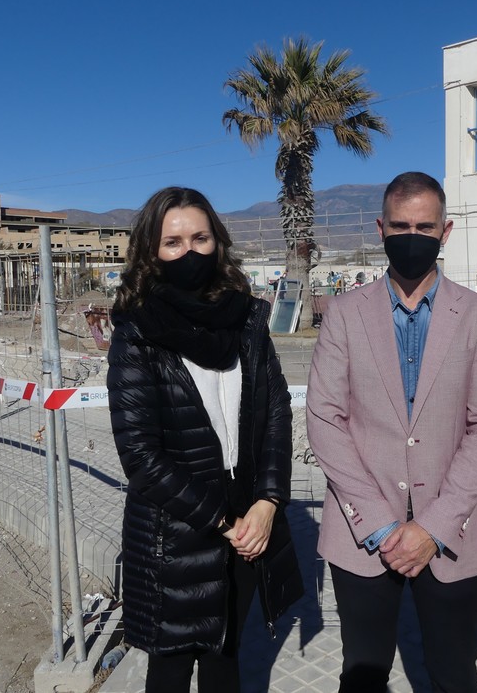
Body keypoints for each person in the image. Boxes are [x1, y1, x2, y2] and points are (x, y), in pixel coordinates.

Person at [307, 171, 477, 692]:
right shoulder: (344, 314)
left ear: (445, 232)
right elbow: (325, 417)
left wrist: (434, 527)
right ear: (380, 228)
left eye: (425, 226)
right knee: (363, 672)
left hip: (453, 534)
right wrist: (379, 523)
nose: (412, 237)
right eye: (401, 225)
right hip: (363, 535)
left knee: (453, 674)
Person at [107, 186, 303, 693]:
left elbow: (276, 411)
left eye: (200, 237)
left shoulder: (248, 319)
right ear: (152, 252)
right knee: (171, 670)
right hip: (173, 529)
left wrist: (267, 501)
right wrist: (221, 520)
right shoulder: (137, 330)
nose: (189, 251)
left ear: (218, 241)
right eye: (173, 242)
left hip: (246, 516)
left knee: (226, 659)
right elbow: (139, 455)